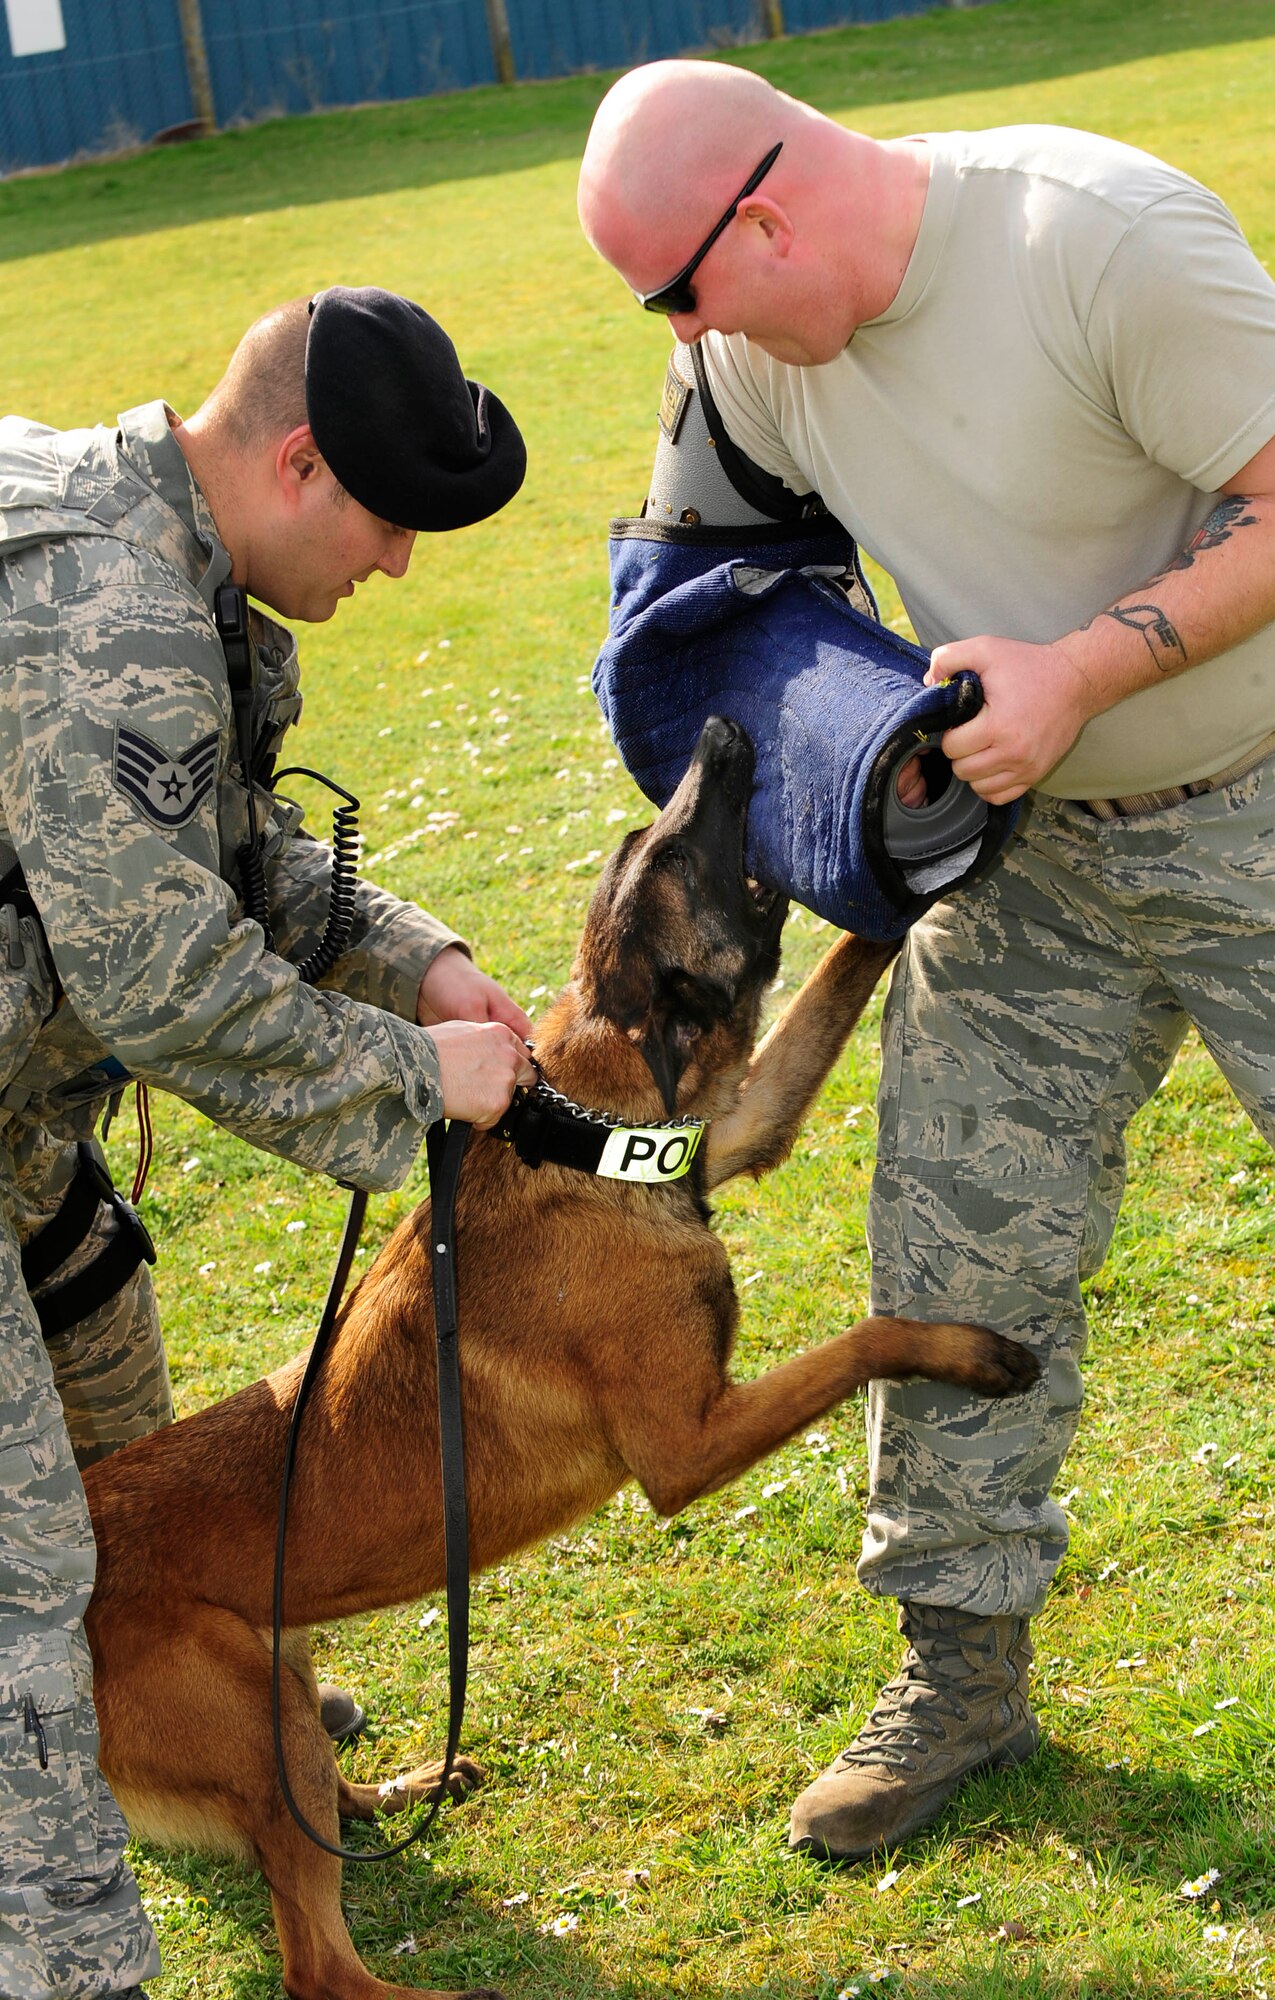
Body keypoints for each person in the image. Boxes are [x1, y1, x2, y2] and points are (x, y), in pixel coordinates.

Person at [578, 61, 1275, 1862]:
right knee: (957, 1244)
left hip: (1256, 802)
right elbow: (696, 601)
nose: (680, 342)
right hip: (1020, 856)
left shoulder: (1095, 244)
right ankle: (959, 1674)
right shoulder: (752, 359)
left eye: (679, 293)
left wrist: (1086, 670)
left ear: (768, 213)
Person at [0, 286, 538, 1998]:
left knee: (131, 1496)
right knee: (24, 1593)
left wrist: (419, 955)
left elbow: (216, 858)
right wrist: (410, 1079)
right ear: (300, 464)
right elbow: (168, 979)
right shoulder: (113, 621)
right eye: (391, 522)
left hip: (23, 1119)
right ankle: (73, 1964)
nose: (398, 565)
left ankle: (208, 1712)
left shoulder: (175, 561)